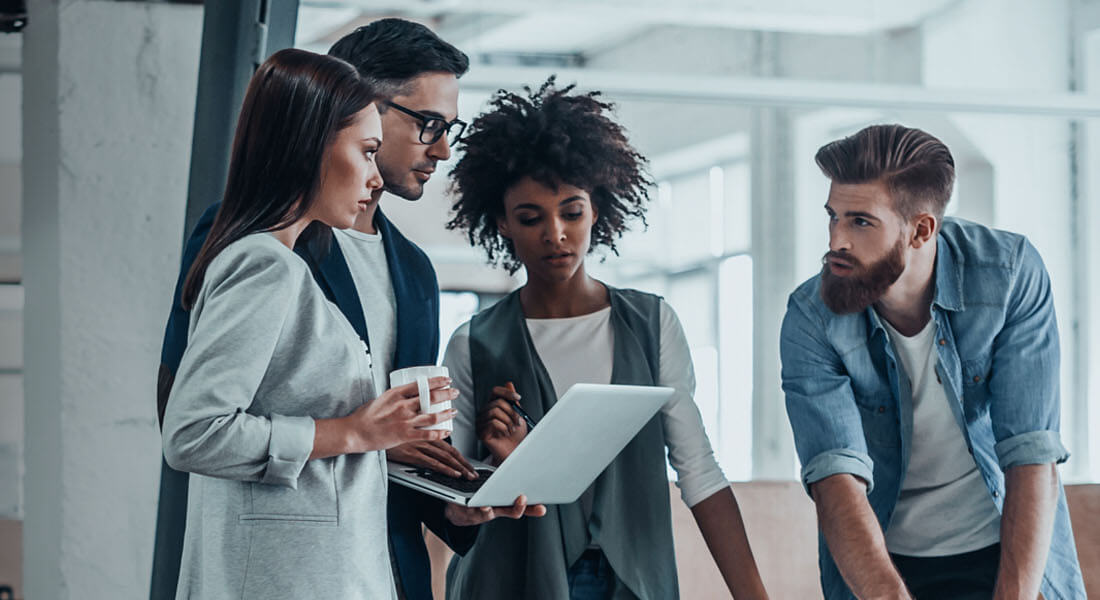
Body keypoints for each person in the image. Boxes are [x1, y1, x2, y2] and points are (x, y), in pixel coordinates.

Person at [160, 48, 538, 599]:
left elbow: (379, 439)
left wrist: (455, 498)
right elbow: (190, 423)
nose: (441, 148)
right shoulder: (256, 253)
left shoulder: (413, 271)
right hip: (282, 569)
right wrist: (355, 433)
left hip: (366, 566)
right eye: (426, 124)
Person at [439, 79, 769, 599]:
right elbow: (455, 506)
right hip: (509, 583)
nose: (556, 234)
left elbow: (698, 470)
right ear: (501, 221)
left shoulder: (651, 323)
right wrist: (501, 468)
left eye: (572, 211)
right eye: (531, 218)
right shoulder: (472, 344)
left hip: (633, 583)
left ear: (597, 209)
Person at [781, 124, 1085, 599]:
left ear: (921, 229)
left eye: (860, 222)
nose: (836, 240)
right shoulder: (811, 317)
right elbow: (835, 478)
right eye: (833, 216)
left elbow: (1031, 453)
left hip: (1005, 548)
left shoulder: (1008, 276)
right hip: (882, 564)